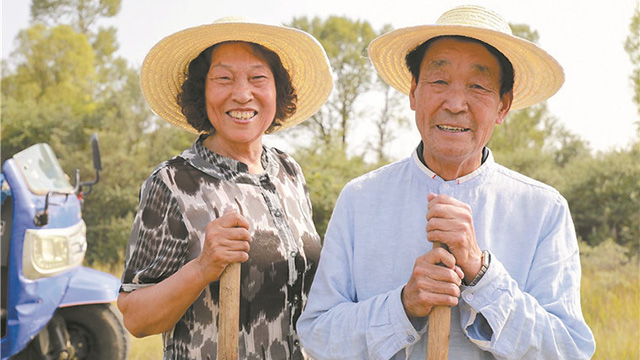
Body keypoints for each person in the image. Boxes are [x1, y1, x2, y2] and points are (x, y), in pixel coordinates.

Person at [297, 5, 596, 359]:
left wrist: (481, 273)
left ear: (503, 106)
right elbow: (316, 336)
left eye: (478, 86)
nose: (455, 103)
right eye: (439, 81)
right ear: (413, 92)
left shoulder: (543, 210)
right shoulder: (361, 199)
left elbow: (569, 349)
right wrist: (403, 306)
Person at [117, 17, 333, 359]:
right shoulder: (175, 182)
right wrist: (203, 267)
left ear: (277, 88)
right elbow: (136, 317)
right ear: (202, 92)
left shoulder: (289, 173)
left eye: (258, 77)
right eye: (224, 78)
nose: (243, 94)